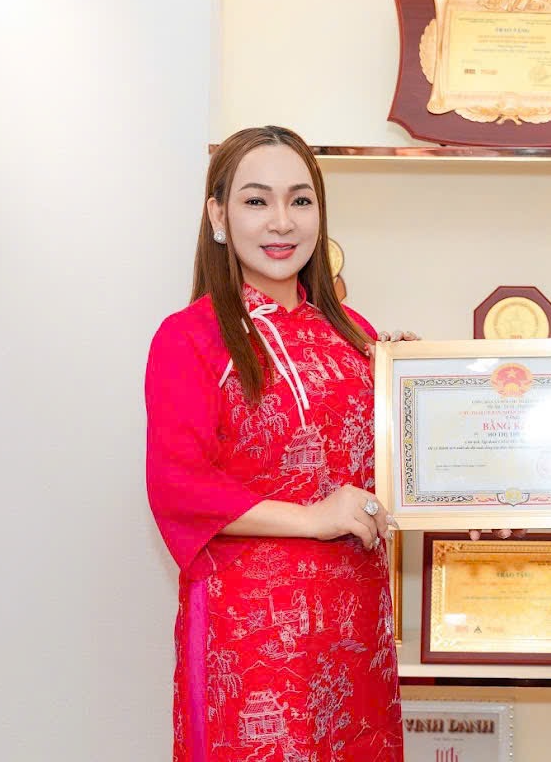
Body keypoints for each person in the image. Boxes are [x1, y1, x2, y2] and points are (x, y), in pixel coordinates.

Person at [145, 126, 407, 761]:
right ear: (218, 215)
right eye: (257, 201)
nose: (282, 222)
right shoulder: (190, 337)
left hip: (356, 625)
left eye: (300, 200)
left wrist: (416, 393)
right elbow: (179, 485)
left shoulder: (356, 334)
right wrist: (313, 518)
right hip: (251, 634)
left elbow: (385, 473)